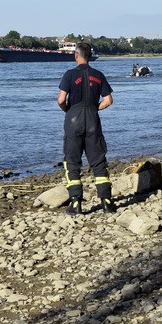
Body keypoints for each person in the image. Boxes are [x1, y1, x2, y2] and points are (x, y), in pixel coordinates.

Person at [57, 42, 114, 214]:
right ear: (89, 56)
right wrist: (95, 108)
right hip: (92, 118)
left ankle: (75, 203)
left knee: (72, 160)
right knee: (98, 161)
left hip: (73, 118)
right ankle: (106, 202)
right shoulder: (99, 75)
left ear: (76, 55)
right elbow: (109, 100)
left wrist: (68, 110)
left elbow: (60, 100)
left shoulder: (69, 74)